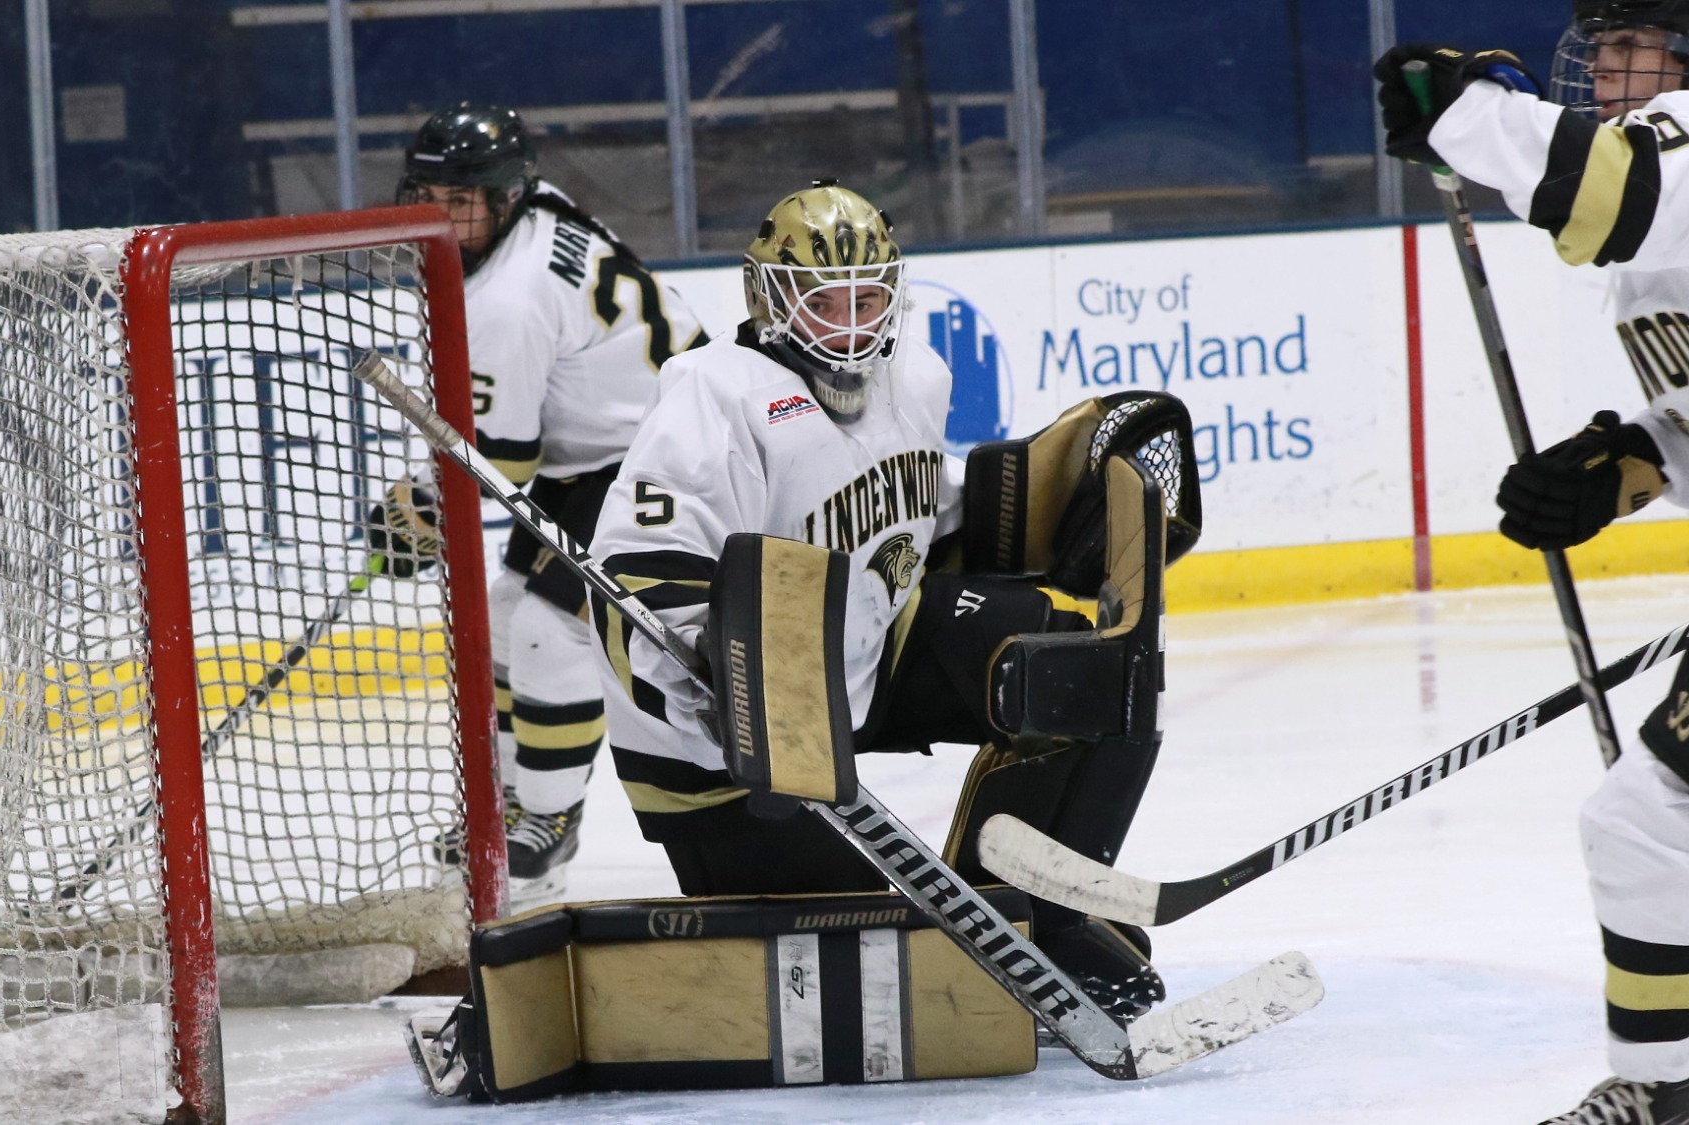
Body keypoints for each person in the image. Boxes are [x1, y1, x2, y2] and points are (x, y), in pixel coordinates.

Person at [1377, 3, 1689, 1122]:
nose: (1604, 70)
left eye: (1628, 49)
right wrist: (1625, 463)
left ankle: (1663, 1092)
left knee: (1646, 827)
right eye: (1600, 48)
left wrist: (1459, 111)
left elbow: (1590, 189)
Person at [588, 181, 1200, 1020]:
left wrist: (1026, 516)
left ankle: (1031, 918)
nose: (848, 320)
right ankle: (927, 941)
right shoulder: (713, 394)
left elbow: (911, 529)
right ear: (767, 299)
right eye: (821, 300)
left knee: (1078, 670)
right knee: (878, 980)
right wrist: (721, 690)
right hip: (718, 756)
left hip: (868, 657)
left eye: (866, 296)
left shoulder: (916, 374)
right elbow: (633, 582)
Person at [371, 102, 708, 894]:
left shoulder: (507, 302)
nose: (444, 219)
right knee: (502, 619)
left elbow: (502, 464)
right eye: (430, 197)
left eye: (464, 203)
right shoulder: (529, 215)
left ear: (507, 197)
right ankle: (512, 803)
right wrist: (422, 503)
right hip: (606, 457)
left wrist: (417, 516)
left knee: (550, 636)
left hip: (663, 459)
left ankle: (548, 825)